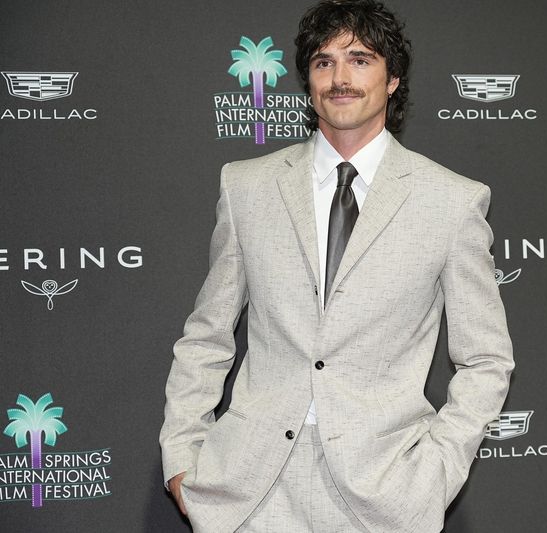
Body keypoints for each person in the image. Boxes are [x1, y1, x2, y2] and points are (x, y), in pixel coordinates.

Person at [159, 1, 514, 531]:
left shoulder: (451, 201)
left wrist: (437, 470)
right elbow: (208, 335)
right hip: (250, 488)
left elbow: (485, 359)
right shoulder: (247, 186)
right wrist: (183, 456)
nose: (339, 78)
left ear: (393, 80)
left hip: (383, 490)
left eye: (360, 59)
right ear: (307, 79)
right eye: (324, 62)